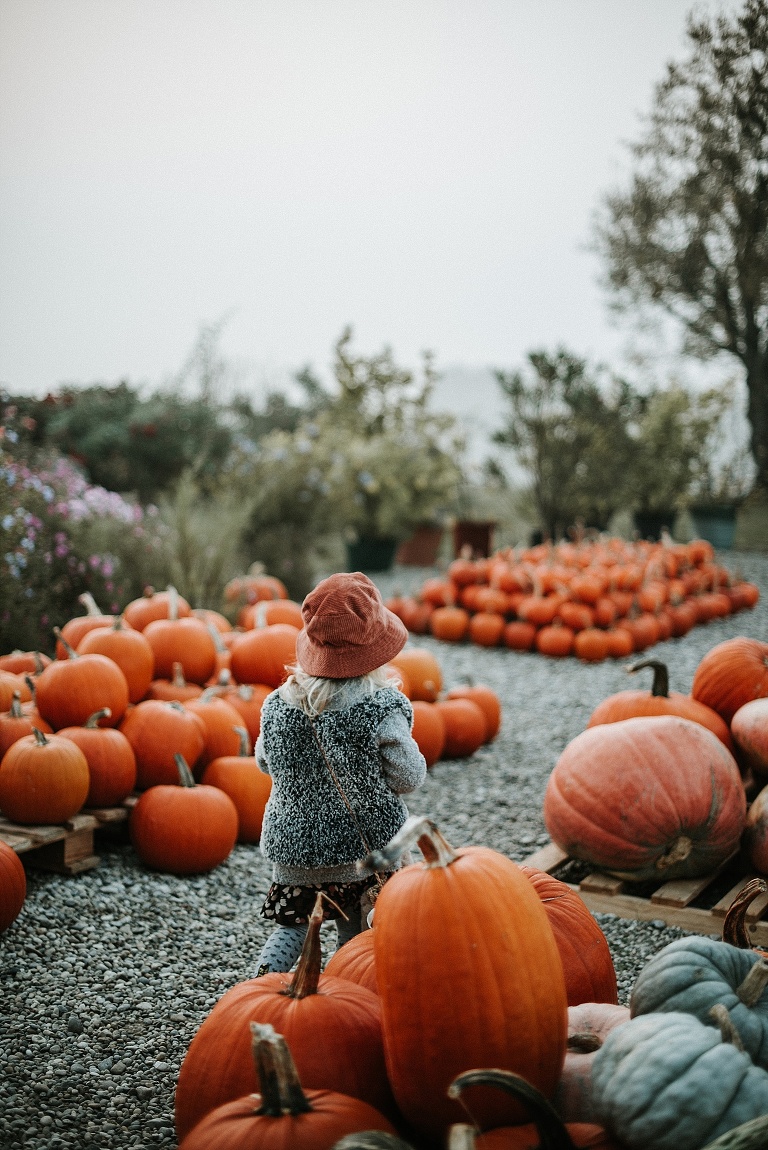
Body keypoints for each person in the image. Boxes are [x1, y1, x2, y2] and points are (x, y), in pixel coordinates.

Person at [253, 570, 427, 975]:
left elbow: (265, 761)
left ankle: (262, 984)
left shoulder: (279, 704)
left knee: (293, 926)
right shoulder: (381, 707)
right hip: (363, 853)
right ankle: (343, 987)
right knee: (353, 931)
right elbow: (409, 777)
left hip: (293, 848)